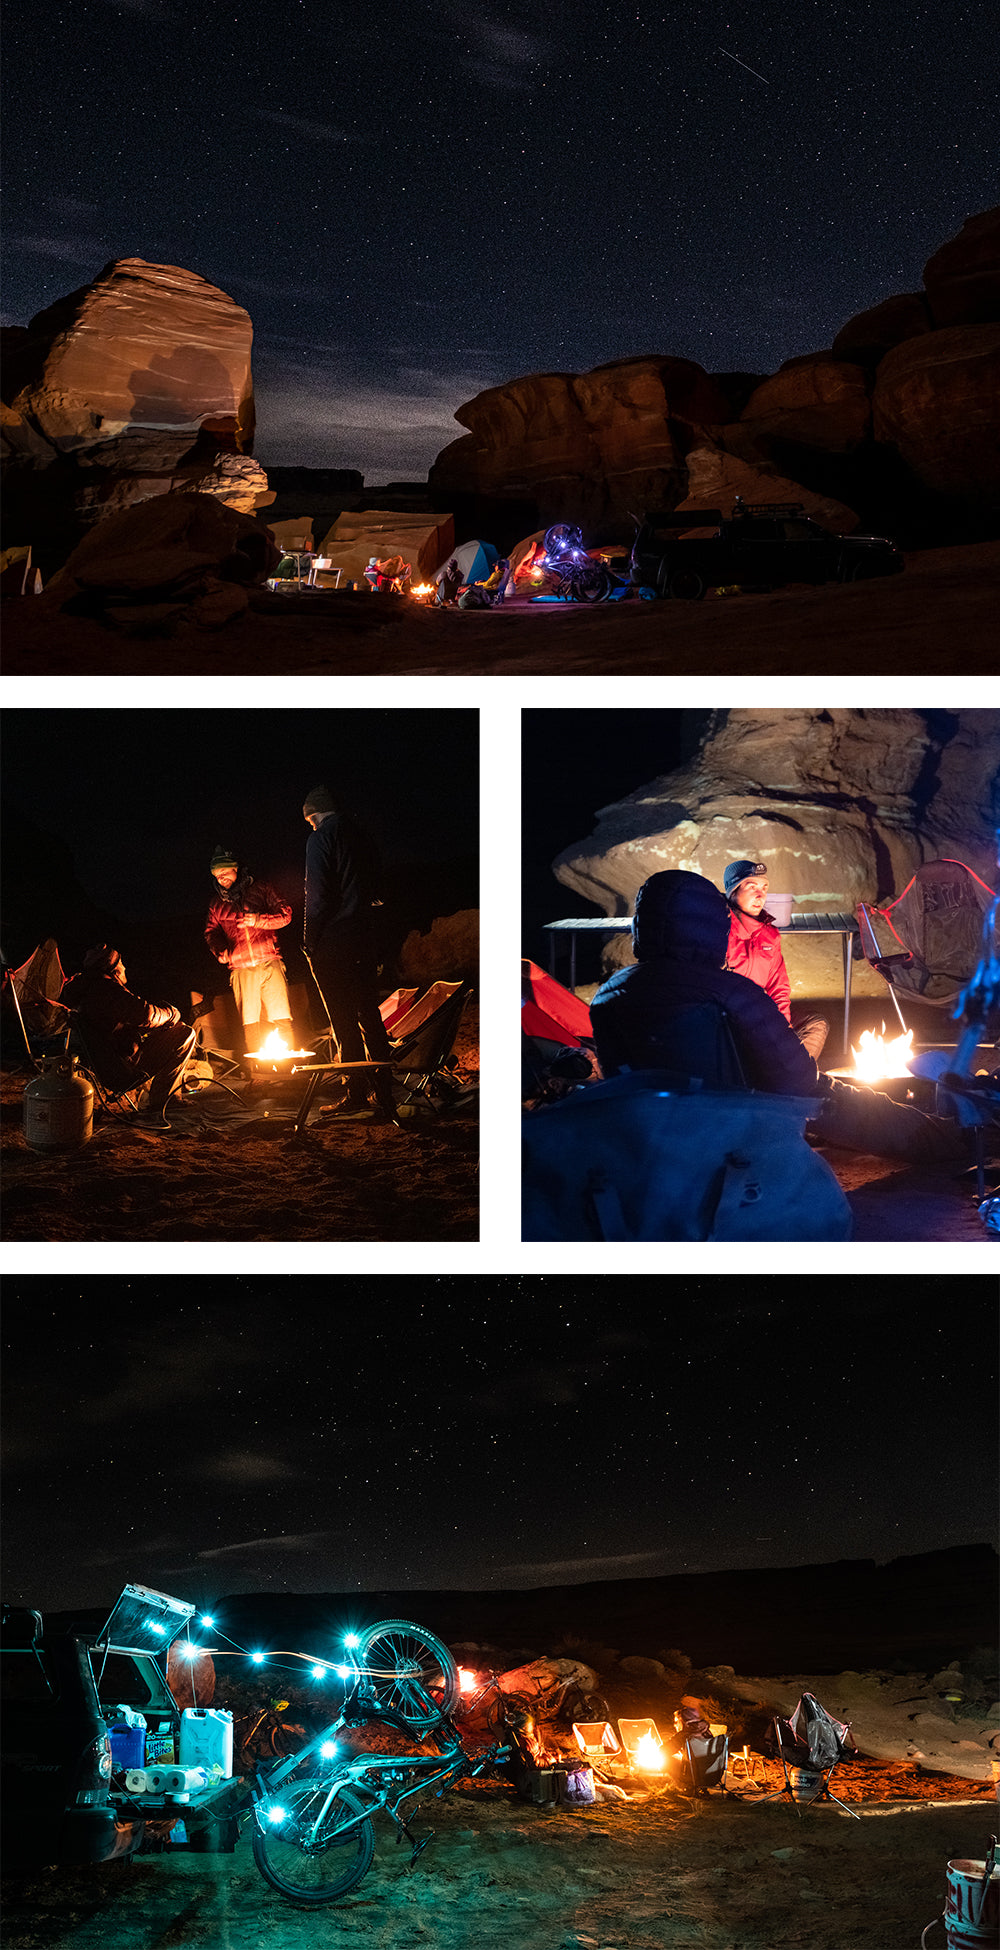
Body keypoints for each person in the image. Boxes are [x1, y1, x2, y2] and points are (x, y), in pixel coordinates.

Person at [589, 871, 970, 1165]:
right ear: (709, 927)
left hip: (660, 1127)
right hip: (749, 1116)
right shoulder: (726, 992)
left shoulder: (609, 994)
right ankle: (958, 1138)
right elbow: (796, 1080)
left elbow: (620, 1075)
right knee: (848, 1103)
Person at [301, 785, 395, 1118]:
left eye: (310, 821)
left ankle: (355, 1093)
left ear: (313, 815)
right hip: (365, 939)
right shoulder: (362, 835)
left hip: (334, 943)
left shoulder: (320, 837)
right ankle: (385, 1096)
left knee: (342, 1020)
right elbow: (380, 891)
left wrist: (309, 941)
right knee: (370, 1016)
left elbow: (318, 898)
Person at [61, 945, 196, 1128]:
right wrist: (171, 1013)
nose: (124, 967)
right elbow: (146, 1014)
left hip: (109, 1065)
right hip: (124, 1070)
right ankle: (164, 1100)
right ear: (113, 968)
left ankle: (164, 1094)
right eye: (121, 963)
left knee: (168, 1030)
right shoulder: (108, 991)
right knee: (185, 1033)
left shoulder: (86, 990)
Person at [723, 859, 828, 1061]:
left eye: (764, 888)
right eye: (751, 887)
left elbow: (778, 987)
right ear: (733, 892)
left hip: (761, 1017)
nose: (760, 895)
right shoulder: (720, 928)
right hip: (731, 1019)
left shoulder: (769, 935)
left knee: (815, 1024)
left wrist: (782, 1030)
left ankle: (797, 1075)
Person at [204, 846, 293, 1056]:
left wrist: (258, 920)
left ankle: (290, 1069)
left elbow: (286, 915)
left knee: (281, 1017)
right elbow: (211, 932)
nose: (221, 878)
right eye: (216, 875)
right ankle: (260, 1074)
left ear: (236, 868)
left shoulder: (261, 889)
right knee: (251, 1023)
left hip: (270, 961)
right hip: (241, 968)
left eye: (224, 872)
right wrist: (220, 951)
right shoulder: (217, 904)